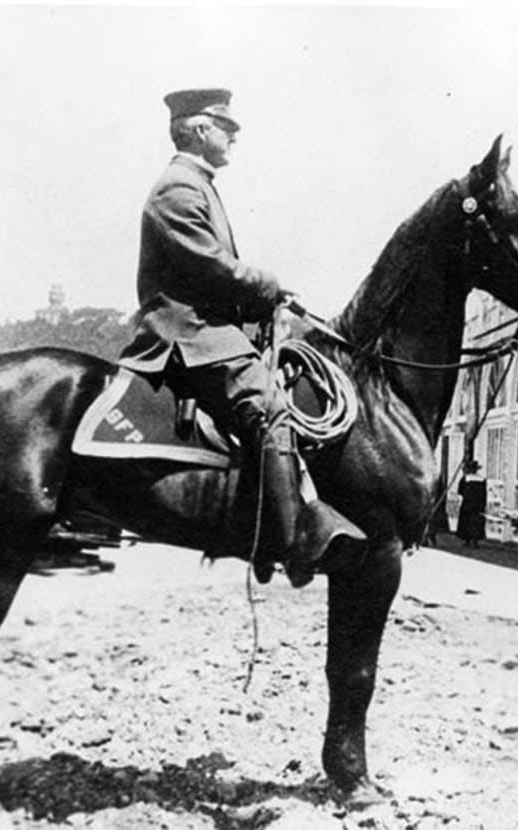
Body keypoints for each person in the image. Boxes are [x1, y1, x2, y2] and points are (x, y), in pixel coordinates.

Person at [118, 88, 362, 586]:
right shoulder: (178, 189)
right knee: (272, 409)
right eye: (225, 126)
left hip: (208, 326)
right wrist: (267, 286)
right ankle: (293, 541)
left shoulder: (197, 185)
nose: (234, 134)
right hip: (186, 332)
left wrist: (262, 303)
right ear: (199, 129)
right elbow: (208, 267)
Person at [456, 460, 488, 548]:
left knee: (467, 522)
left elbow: (460, 491)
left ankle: (467, 540)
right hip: (478, 505)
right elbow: (484, 494)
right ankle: (475, 540)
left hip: (467, 504)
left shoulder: (465, 479)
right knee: (476, 522)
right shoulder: (482, 479)